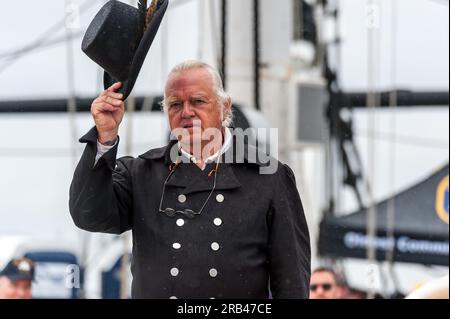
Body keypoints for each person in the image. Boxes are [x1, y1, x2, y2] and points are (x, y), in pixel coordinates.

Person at [69, 60, 311, 299]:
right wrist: (105, 137)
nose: (186, 113)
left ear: (224, 107)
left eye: (198, 101)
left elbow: (291, 281)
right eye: (175, 104)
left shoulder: (268, 176)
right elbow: (88, 214)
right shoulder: (141, 173)